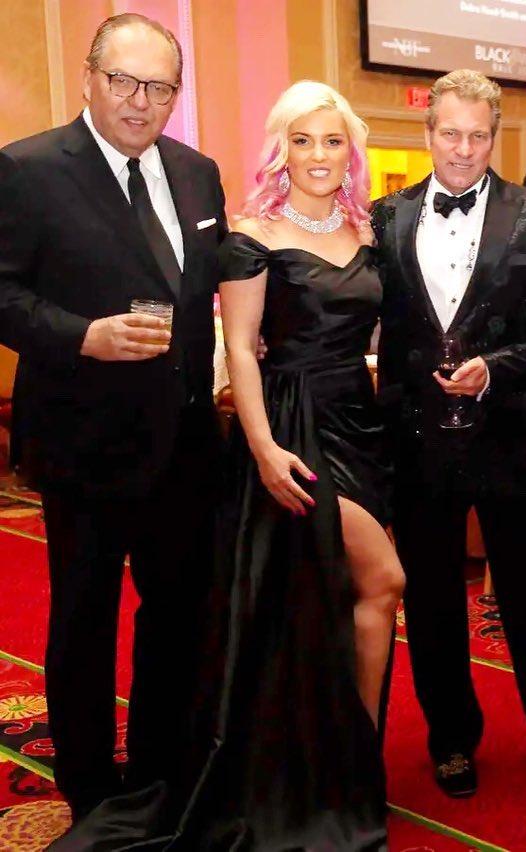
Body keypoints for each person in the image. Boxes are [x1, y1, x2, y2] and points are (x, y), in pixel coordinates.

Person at [52, 81, 402, 851]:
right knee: (383, 579)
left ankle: (347, 762)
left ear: (351, 152)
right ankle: (349, 763)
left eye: (332, 141)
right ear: (282, 150)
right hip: (291, 424)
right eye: (302, 141)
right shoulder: (251, 235)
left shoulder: (367, 230)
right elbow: (240, 348)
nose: (318, 155)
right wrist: (265, 447)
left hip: (359, 423)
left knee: (332, 595)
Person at [372, 69, 526, 800]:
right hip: (416, 435)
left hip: (509, 431)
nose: (463, 149)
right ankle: (451, 741)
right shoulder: (384, 217)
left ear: (495, 136)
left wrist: (498, 369)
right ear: (428, 133)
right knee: (431, 600)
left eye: (477, 136)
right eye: (450, 134)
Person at [0, 13, 226, 823]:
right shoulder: (28, 169)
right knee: (84, 618)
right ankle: (90, 782)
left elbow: (208, 290)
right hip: (84, 439)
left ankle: (163, 764)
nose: (140, 101)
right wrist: (80, 336)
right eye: (123, 81)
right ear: (90, 77)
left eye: (159, 87)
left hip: (185, 443)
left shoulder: (198, 173)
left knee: (178, 613)